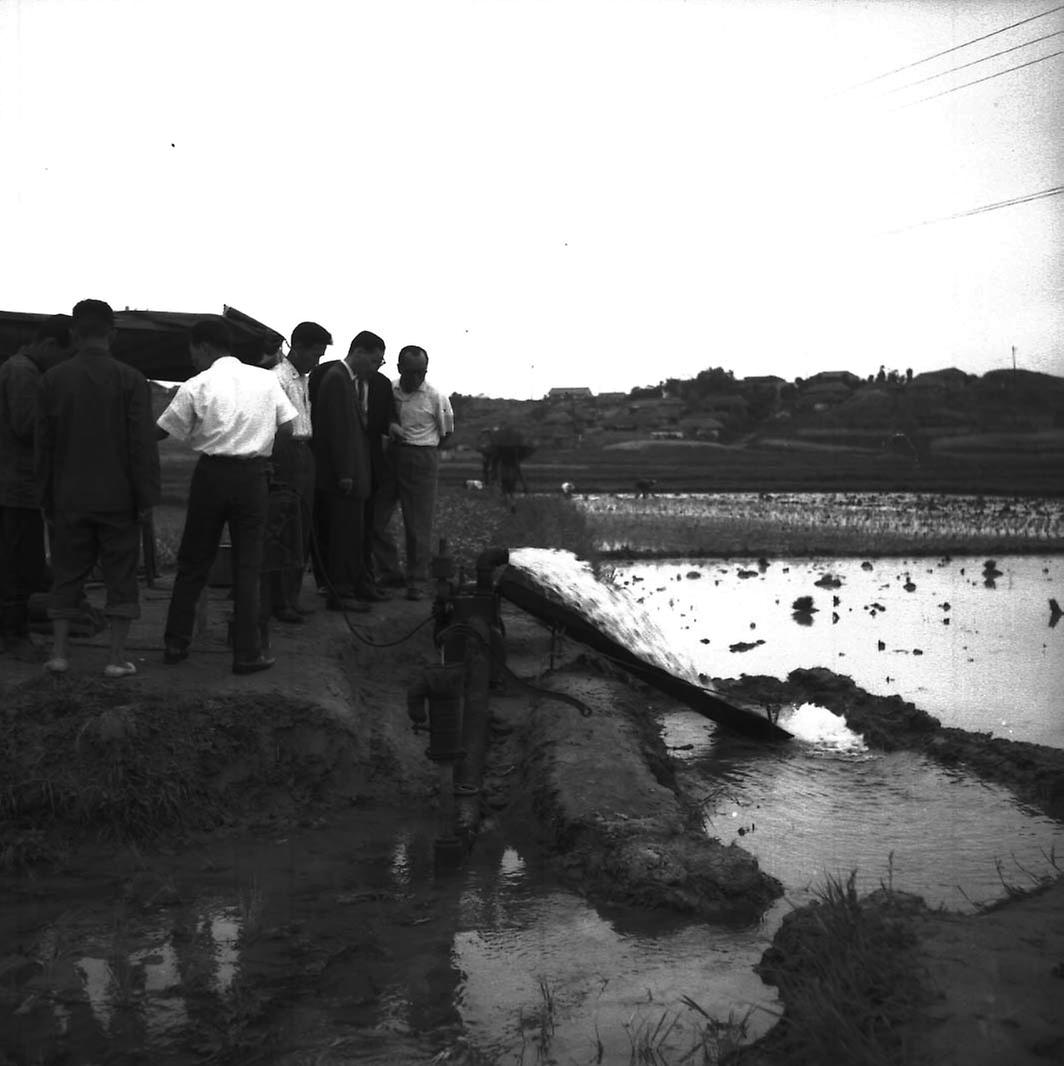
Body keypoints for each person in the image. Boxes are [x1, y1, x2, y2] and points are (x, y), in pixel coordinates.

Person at [157, 319, 297, 675]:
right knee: (248, 567)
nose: (191, 357)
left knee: (193, 563)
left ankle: (176, 643)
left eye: (191, 350)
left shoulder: (197, 384)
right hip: (253, 478)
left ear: (203, 346)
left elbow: (162, 430)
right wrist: (266, 459)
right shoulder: (266, 380)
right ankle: (247, 654)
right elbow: (287, 426)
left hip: (212, 476)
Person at [35, 299, 160, 676]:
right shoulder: (131, 379)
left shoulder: (52, 380)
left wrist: (46, 497)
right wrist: (146, 497)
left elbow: (44, 446)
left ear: (74, 333)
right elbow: (141, 444)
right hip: (119, 499)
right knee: (121, 575)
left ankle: (58, 654)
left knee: (67, 573)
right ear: (113, 335)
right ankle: (115, 658)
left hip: (68, 497)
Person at [0, 315, 72, 655]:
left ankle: (15, 631)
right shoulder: (23, 372)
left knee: (22, 562)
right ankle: (12, 636)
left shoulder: (24, 369)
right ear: (48, 345)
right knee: (18, 565)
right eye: (63, 356)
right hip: (16, 487)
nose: (62, 365)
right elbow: (27, 425)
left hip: (19, 485)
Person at [309, 331, 384, 611]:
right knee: (343, 535)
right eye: (375, 360)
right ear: (360, 352)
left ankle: (351, 585)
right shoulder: (338, 380)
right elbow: (337, 431)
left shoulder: (346, 379)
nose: (376, 367)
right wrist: (345, 472)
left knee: (353, 534)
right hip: (344, 476)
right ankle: (341, 591)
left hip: (353, 473)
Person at [374, 345, 454, 601]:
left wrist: (423, 452)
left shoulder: (436, 397)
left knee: (417, 525)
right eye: (411, 372)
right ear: (399, 369)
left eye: (422, 372)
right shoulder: (389, 390)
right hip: (391, 457)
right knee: (375, 519)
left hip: (422, 458)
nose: (417, 378)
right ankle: (390, 571)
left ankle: (416, 581)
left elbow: (447, 433)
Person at [265, 321, 331, 623]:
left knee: (301, 528)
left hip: (305, 452)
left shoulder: (303, 378)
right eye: (314, 354)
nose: (316, 361)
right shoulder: (277, 378)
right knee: (285, 528)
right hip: (286, 451)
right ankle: (278, 601)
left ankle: (290, 596)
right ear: (298, 347)